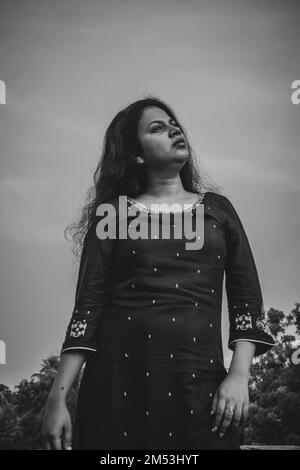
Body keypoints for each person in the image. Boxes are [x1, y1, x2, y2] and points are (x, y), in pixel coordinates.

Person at [41, 97, 276, 450]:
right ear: (136, 154)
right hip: (116, 391)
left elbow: (246, 300)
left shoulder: (218, 210)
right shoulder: (112, 215)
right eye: (157, 128)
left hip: (203, 391)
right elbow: (87, 310)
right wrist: (57, 399)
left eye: (174, 124)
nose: (174, 130)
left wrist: (240, 374)